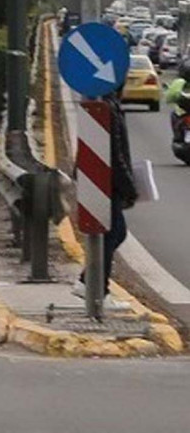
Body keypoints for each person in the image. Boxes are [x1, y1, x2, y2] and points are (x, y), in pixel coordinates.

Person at [73, 84, 138, 309]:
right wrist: (129, 187)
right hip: (106, 183)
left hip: (101, 180)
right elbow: (116, 154)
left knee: (113, 233)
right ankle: (96, 289)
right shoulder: (108, 108)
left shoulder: (106, 106)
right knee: (112, 233)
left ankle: (90, 283)